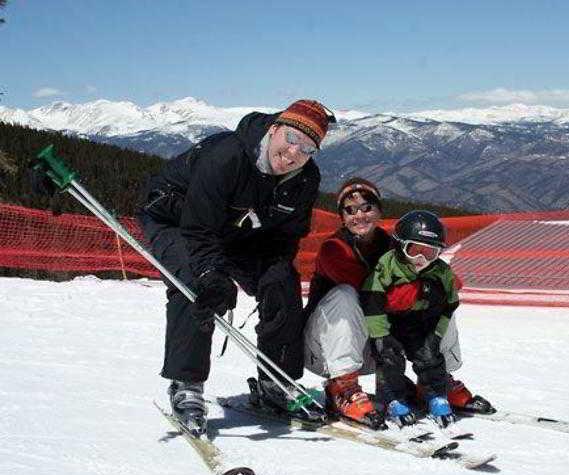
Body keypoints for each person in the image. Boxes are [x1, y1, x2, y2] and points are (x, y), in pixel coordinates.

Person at [137, 99, 333, 435]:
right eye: (290, 138)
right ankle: (187, 384)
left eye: (307, 148)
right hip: (176, 216)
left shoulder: (304, 179)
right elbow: (198, 229)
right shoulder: (227, 157)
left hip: (238, 229)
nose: (293, 153)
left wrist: (271, 275)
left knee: (281, 280)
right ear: (273, 130)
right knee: (195, 284)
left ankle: (277, 381)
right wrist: (212, 274)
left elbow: (287, 236)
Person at [303, 183, 492, 429]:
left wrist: (436, 288)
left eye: (366, 207)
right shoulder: (334, 249)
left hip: (375, 345)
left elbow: (450, 283)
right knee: (346, 295)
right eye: (350, 210)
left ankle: (434, 381)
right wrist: (422, 288)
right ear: (342, 217)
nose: (359, 215)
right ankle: (343, 386)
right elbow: (370, 293)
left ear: (379, 211)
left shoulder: (396, 244)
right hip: (325, 349)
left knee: (440, 301)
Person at [361, 210, 495, 428]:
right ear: (400, 245)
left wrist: (437, 334)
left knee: (430, 356)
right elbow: (372, 302)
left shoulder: (441, 273)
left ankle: (435, 395)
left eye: (430, 253)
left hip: (419, 325)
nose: (421, 260)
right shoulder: (386, 266)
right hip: (389, 325)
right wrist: (380, 336)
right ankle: (393, 398)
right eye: (414, 250)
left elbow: (449, 306)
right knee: (389, 358)